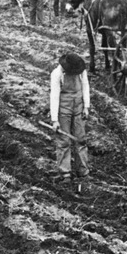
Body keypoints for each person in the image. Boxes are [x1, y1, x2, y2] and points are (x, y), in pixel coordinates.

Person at [50, 53, 91, 184]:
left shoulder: (81, 72)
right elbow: (54, 96)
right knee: (64, 141)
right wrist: (55, 119)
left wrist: (86, 107)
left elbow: (85, 87)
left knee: (81, 140)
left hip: (78, 108)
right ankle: (65, 173)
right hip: (64, 110)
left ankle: (83, 172)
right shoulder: (57, 74)